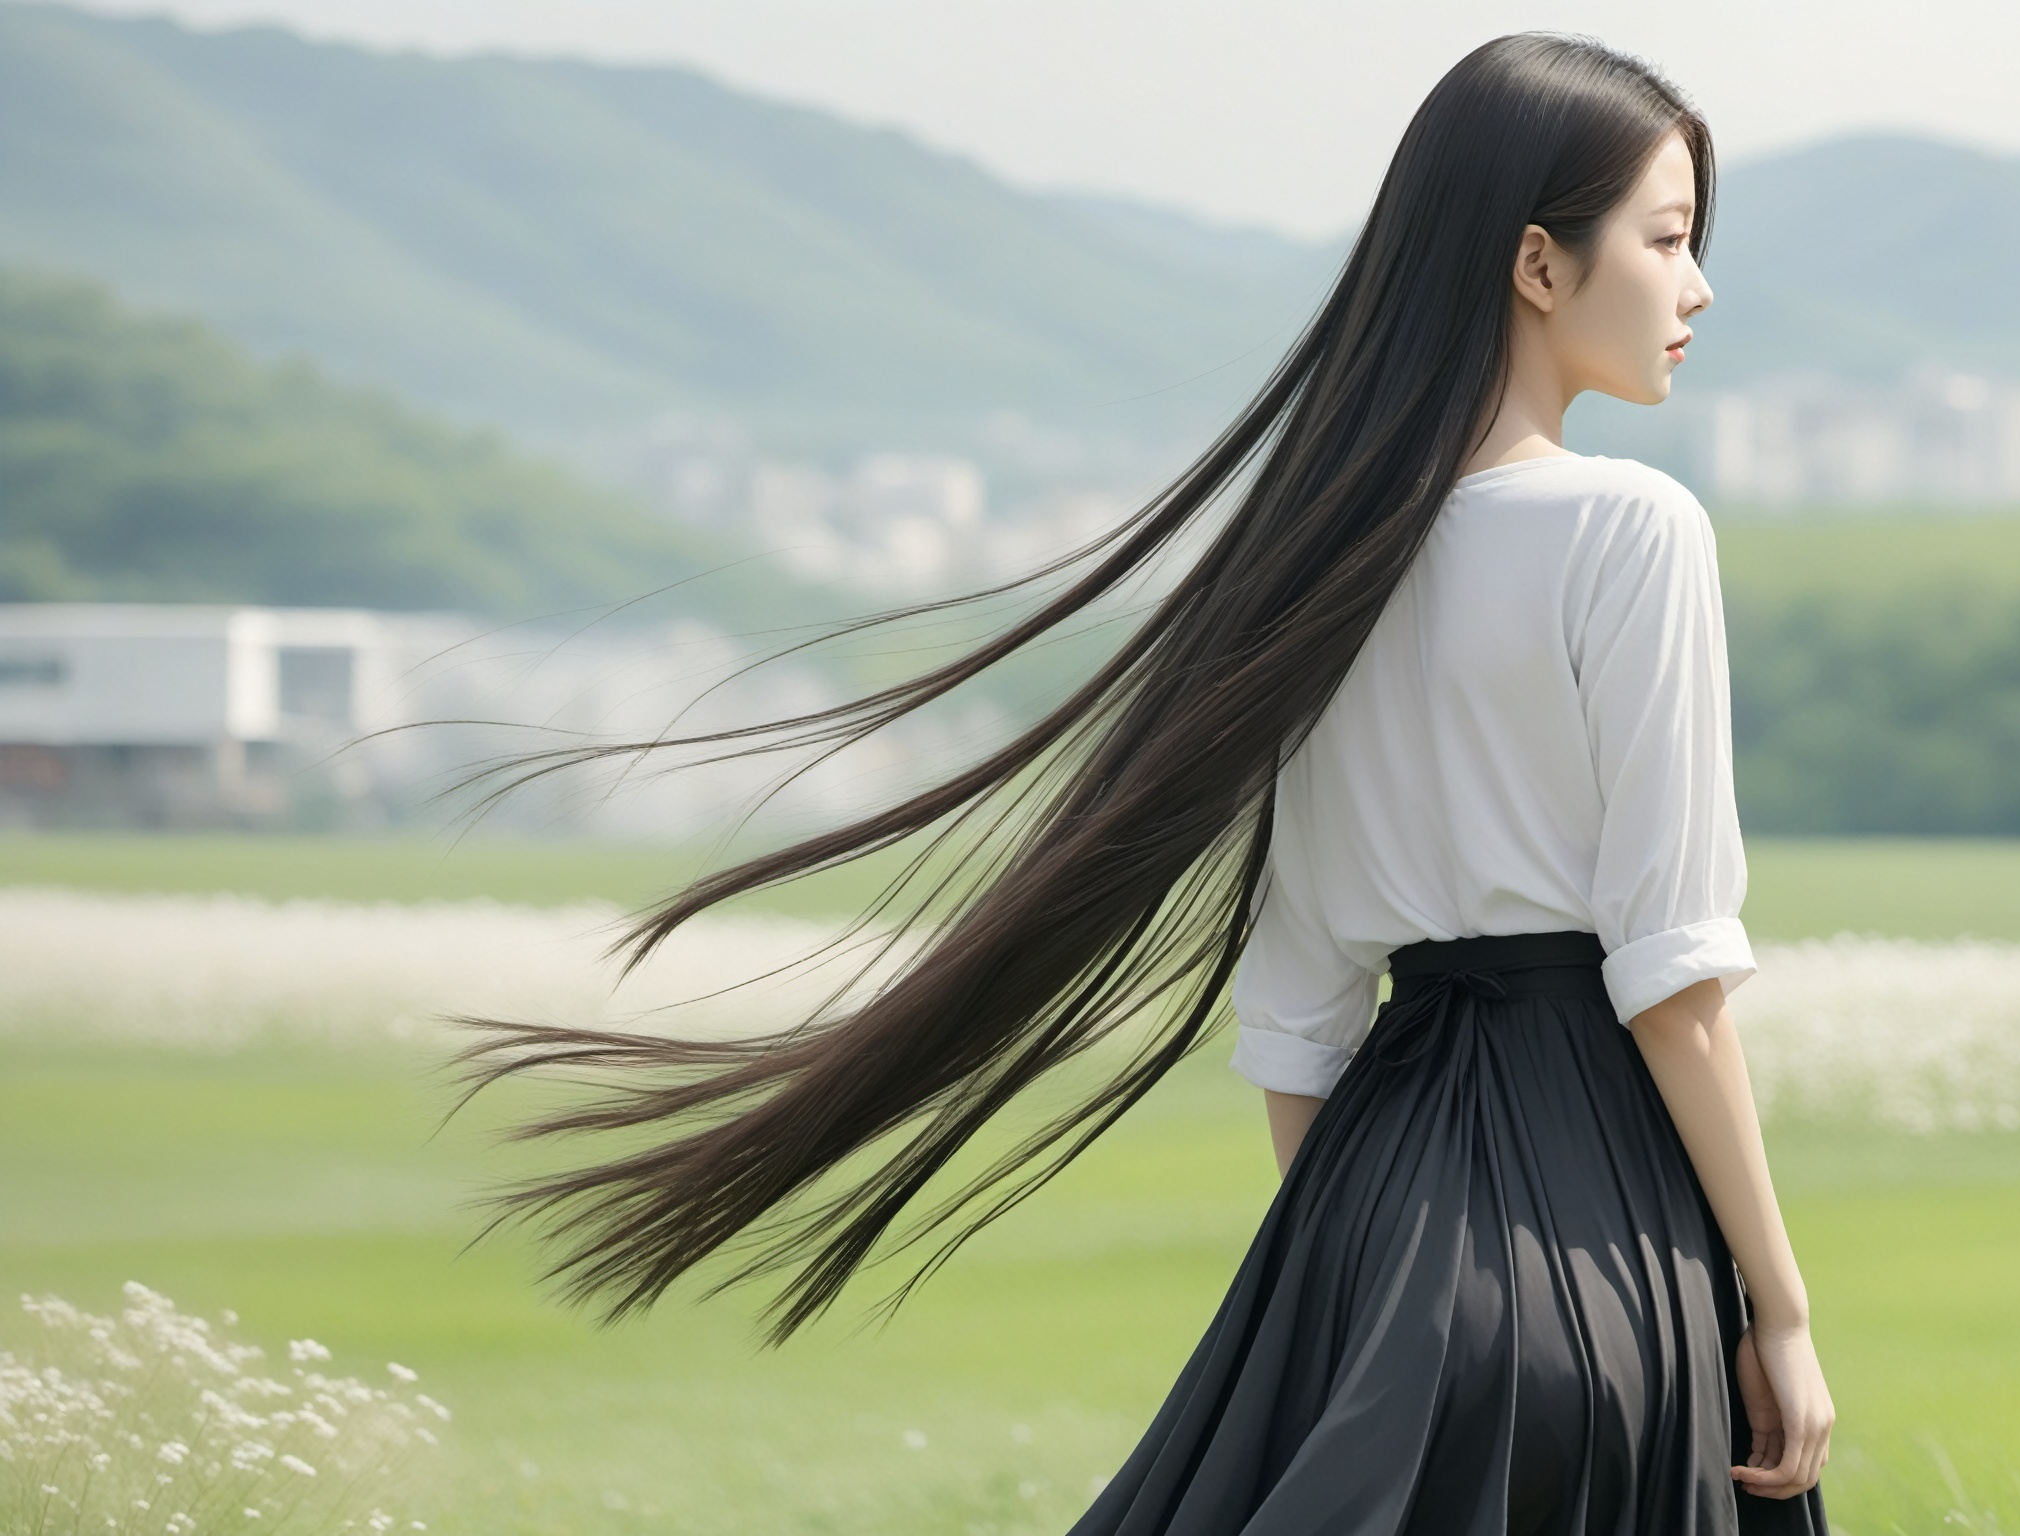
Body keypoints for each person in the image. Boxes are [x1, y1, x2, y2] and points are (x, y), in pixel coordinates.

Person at [460, 31, 1831, 1534]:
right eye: (1670, 240)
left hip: (1369, 1200)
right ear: (1538, 265)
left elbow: (1301, 1014)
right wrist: (1780, 1308)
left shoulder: (1303, 556)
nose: (1698, 289)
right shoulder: (1631, 533)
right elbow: (1673, 975)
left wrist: (1358, 1268)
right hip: (1595, 1210)